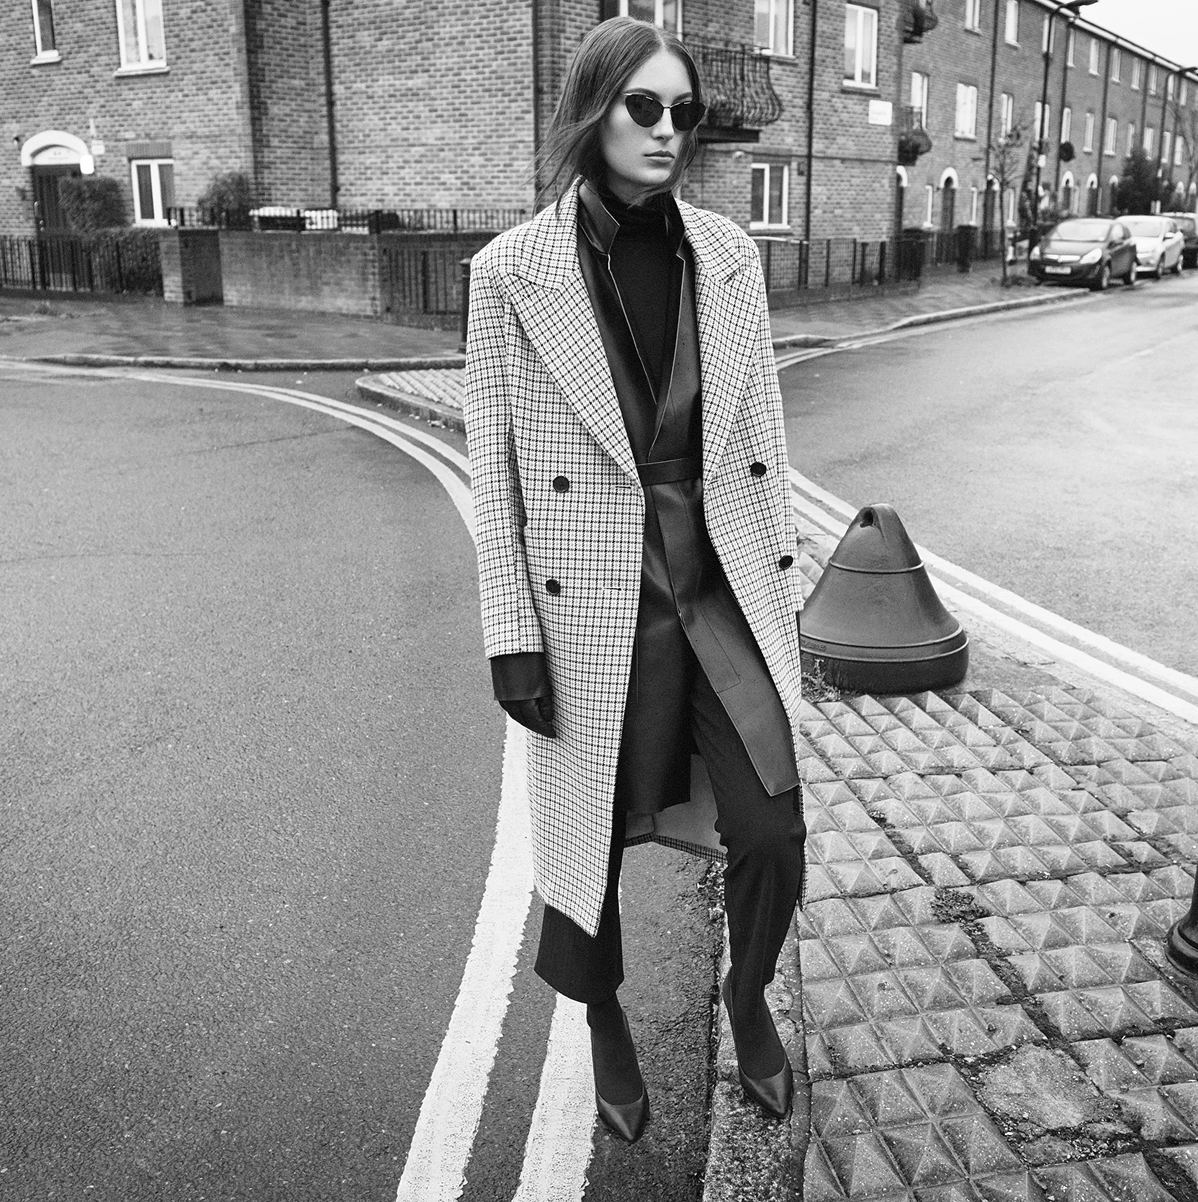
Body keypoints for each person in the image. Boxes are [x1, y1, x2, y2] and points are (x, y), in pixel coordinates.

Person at [463, 17, 807, 1144]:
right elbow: (496, 470)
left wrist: (782, 581)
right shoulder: (511, 272)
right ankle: (603, 1014)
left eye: (683, 112)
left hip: (715, 592)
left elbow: (763, 428)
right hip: (587, 600)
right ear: (593, 111)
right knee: (588, 846)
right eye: (643, 108)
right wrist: (511, 633)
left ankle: (744, 994)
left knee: (771, 827)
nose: (667, 132)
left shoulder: (729, 254)